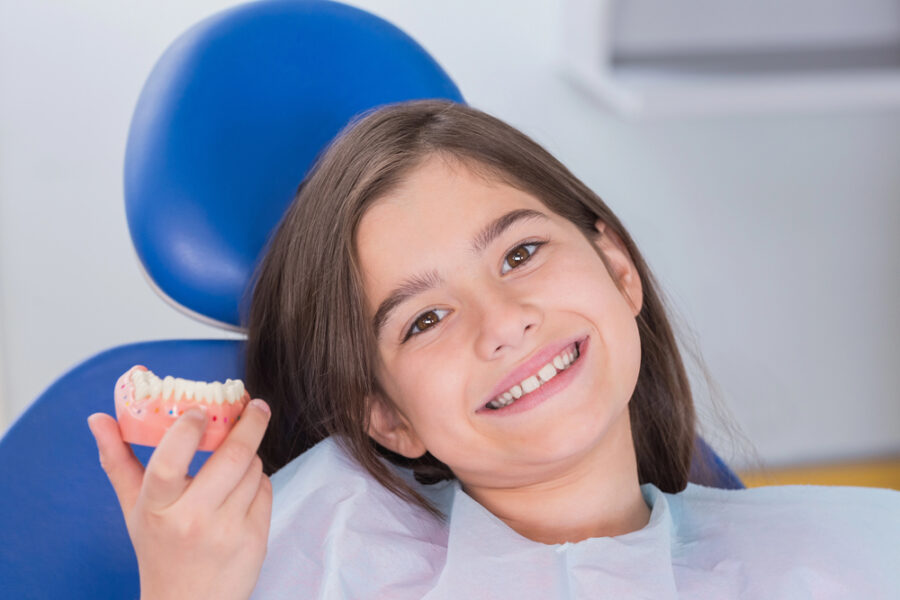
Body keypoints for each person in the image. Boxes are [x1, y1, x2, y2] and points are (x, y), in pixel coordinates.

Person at [88, 100, 900, 599]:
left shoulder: (854, 549)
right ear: (387, 418)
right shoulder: (321, 551)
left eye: (519, 254)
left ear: (617, 270)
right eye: (424, 319)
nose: (503, 322)